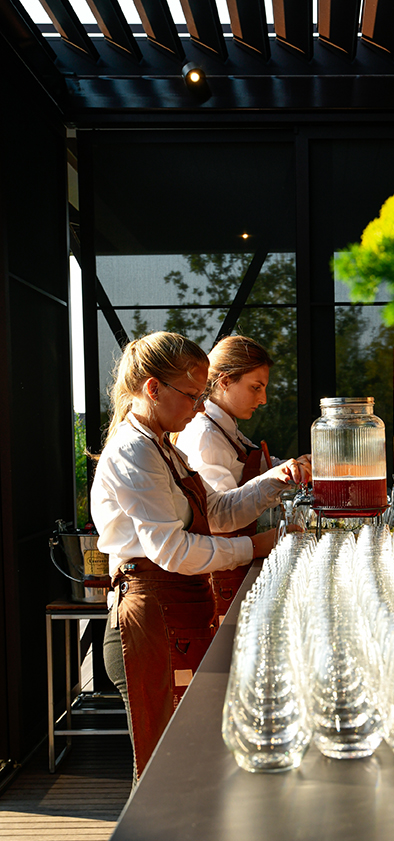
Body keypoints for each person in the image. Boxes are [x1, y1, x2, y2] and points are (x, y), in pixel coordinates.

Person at [91, 331, 308, 780]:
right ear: (153, 389)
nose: (198, 406)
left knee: (187, 771)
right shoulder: (133, 452)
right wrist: (254, 547)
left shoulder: (164, 448)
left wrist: (274, 483)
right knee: (164, 778)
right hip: (151, 623)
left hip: (180, 615)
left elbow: (216, 512)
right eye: (191, 395)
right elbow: (171, 550)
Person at [176, 334, 312, 615]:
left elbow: (261, 465)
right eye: (255, 388)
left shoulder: (226, 429)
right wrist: (278, 477)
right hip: (224, 578)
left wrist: (297, 464)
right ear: (225, 381)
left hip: (239, 570)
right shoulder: (204, 433)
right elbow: (219, 517)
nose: (263, 399)